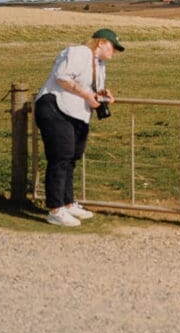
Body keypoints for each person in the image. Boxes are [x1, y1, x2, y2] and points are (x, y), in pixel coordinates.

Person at [34, 28, 123, 226]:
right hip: (55, 107)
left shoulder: (100, 65)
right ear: (100, 43)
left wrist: (103, 95)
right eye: (112, 46)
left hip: (75, 113)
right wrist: (86, 95)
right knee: (61, 156)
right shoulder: (79, 52)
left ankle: (67, 202)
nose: (114, 51)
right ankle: (55, 209)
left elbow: (91, 88)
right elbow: (62, 77)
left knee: (72, 156)